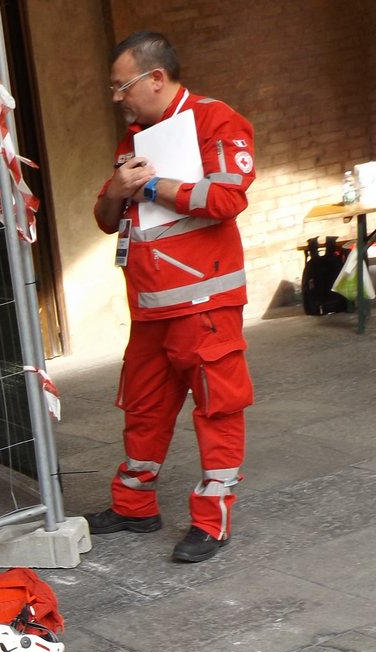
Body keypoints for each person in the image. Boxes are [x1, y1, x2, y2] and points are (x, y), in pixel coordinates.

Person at [88, 31, 256, 563]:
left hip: (204, 305)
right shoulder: (135, 137)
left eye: (122, 86)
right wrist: (118, 190)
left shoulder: (216, 120)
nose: (117, 98)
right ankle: (134, 506)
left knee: (217, 409)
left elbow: (229, 197)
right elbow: (106, 218)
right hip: (150, 307)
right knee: (142, 407)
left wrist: (154, 186)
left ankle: (212, 521)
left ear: (155, 78)